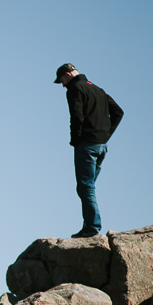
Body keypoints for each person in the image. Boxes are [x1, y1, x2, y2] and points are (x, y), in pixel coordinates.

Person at [54, 63, 124, 238]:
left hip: (87, 145)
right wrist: (106, 134)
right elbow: (118, 112)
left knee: (86, 187)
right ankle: (89, 224)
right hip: (102, 146)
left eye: (61, 80)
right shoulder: (98, 89)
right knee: (86, 187)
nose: (62, 84)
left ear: (68, 75)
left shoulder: (74, 89)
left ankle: (92, 227)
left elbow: (76, 116)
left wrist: (75, 140)